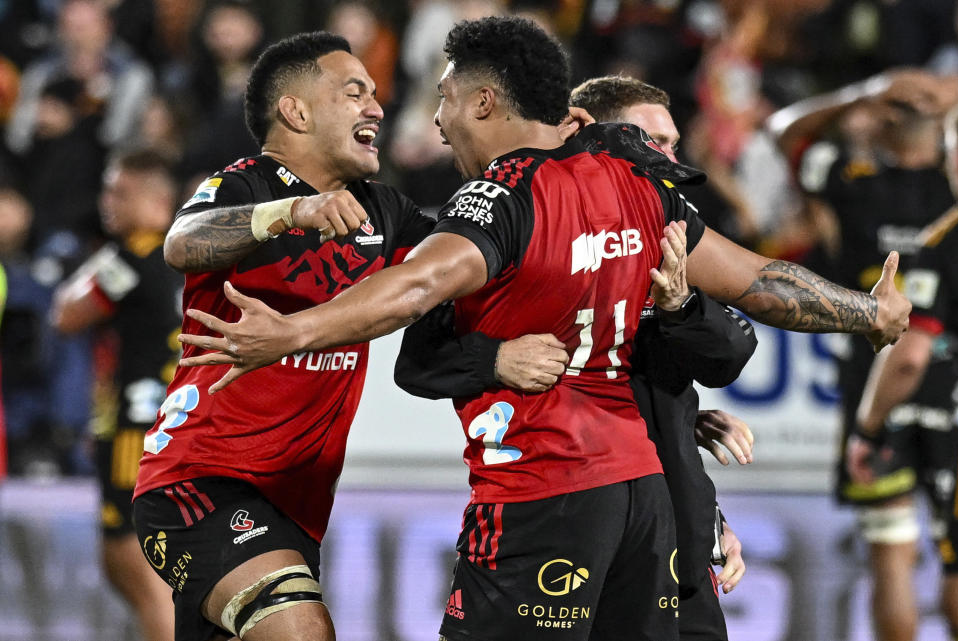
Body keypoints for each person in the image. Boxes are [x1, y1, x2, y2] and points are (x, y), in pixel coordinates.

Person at [177, 17, 911, 641]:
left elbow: (417, 286)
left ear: (486, 101)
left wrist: (295, 333)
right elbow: (760, 282)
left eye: (447, 99)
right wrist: (865, 313)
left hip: (540, 493)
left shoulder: (500, 198)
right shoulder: (635, 185)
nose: (437, 121)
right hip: (642, 498)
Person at [392, 74, 755, 641]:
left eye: (673, 144)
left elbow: (727, 355)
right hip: (559, 497)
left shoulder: (663, 241)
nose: (665, 158)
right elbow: (417, 358)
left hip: (666, 528)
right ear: (593, 135)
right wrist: (493, 357)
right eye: (651, 141)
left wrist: (681, 310)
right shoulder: (523, 223)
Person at [131, 32, 435, 641]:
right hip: (201, 480)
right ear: (295, 111)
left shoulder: (385, 210)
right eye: (354, 93)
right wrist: (289, 214)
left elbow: (448, 274)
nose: (376, 108)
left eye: (375, 94)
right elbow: (182, 242)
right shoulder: (246, 185)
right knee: (300, 630)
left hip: (294, 506)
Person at [769, 70, 958, 641]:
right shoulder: (951, 196)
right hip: (951, 390)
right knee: (955, 558)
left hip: (878, 375)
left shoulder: (852, 180)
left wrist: (859, 93)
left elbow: (783, 132)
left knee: (890, 551)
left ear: (884, 118)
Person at [50, 149, 181, 641]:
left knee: (135, 561)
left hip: (135, 429)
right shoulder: (185, 256)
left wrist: (97, 262)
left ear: (157, 201)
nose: (108, 202)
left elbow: (66, 315)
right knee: (122, 561)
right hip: (162, 425)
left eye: (121, 193)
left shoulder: (130, 257)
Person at [845, 103, 958, 641]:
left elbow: (910, 352)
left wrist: (867, 428)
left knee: (895, 554)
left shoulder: (944, 238)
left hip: (922, 412)